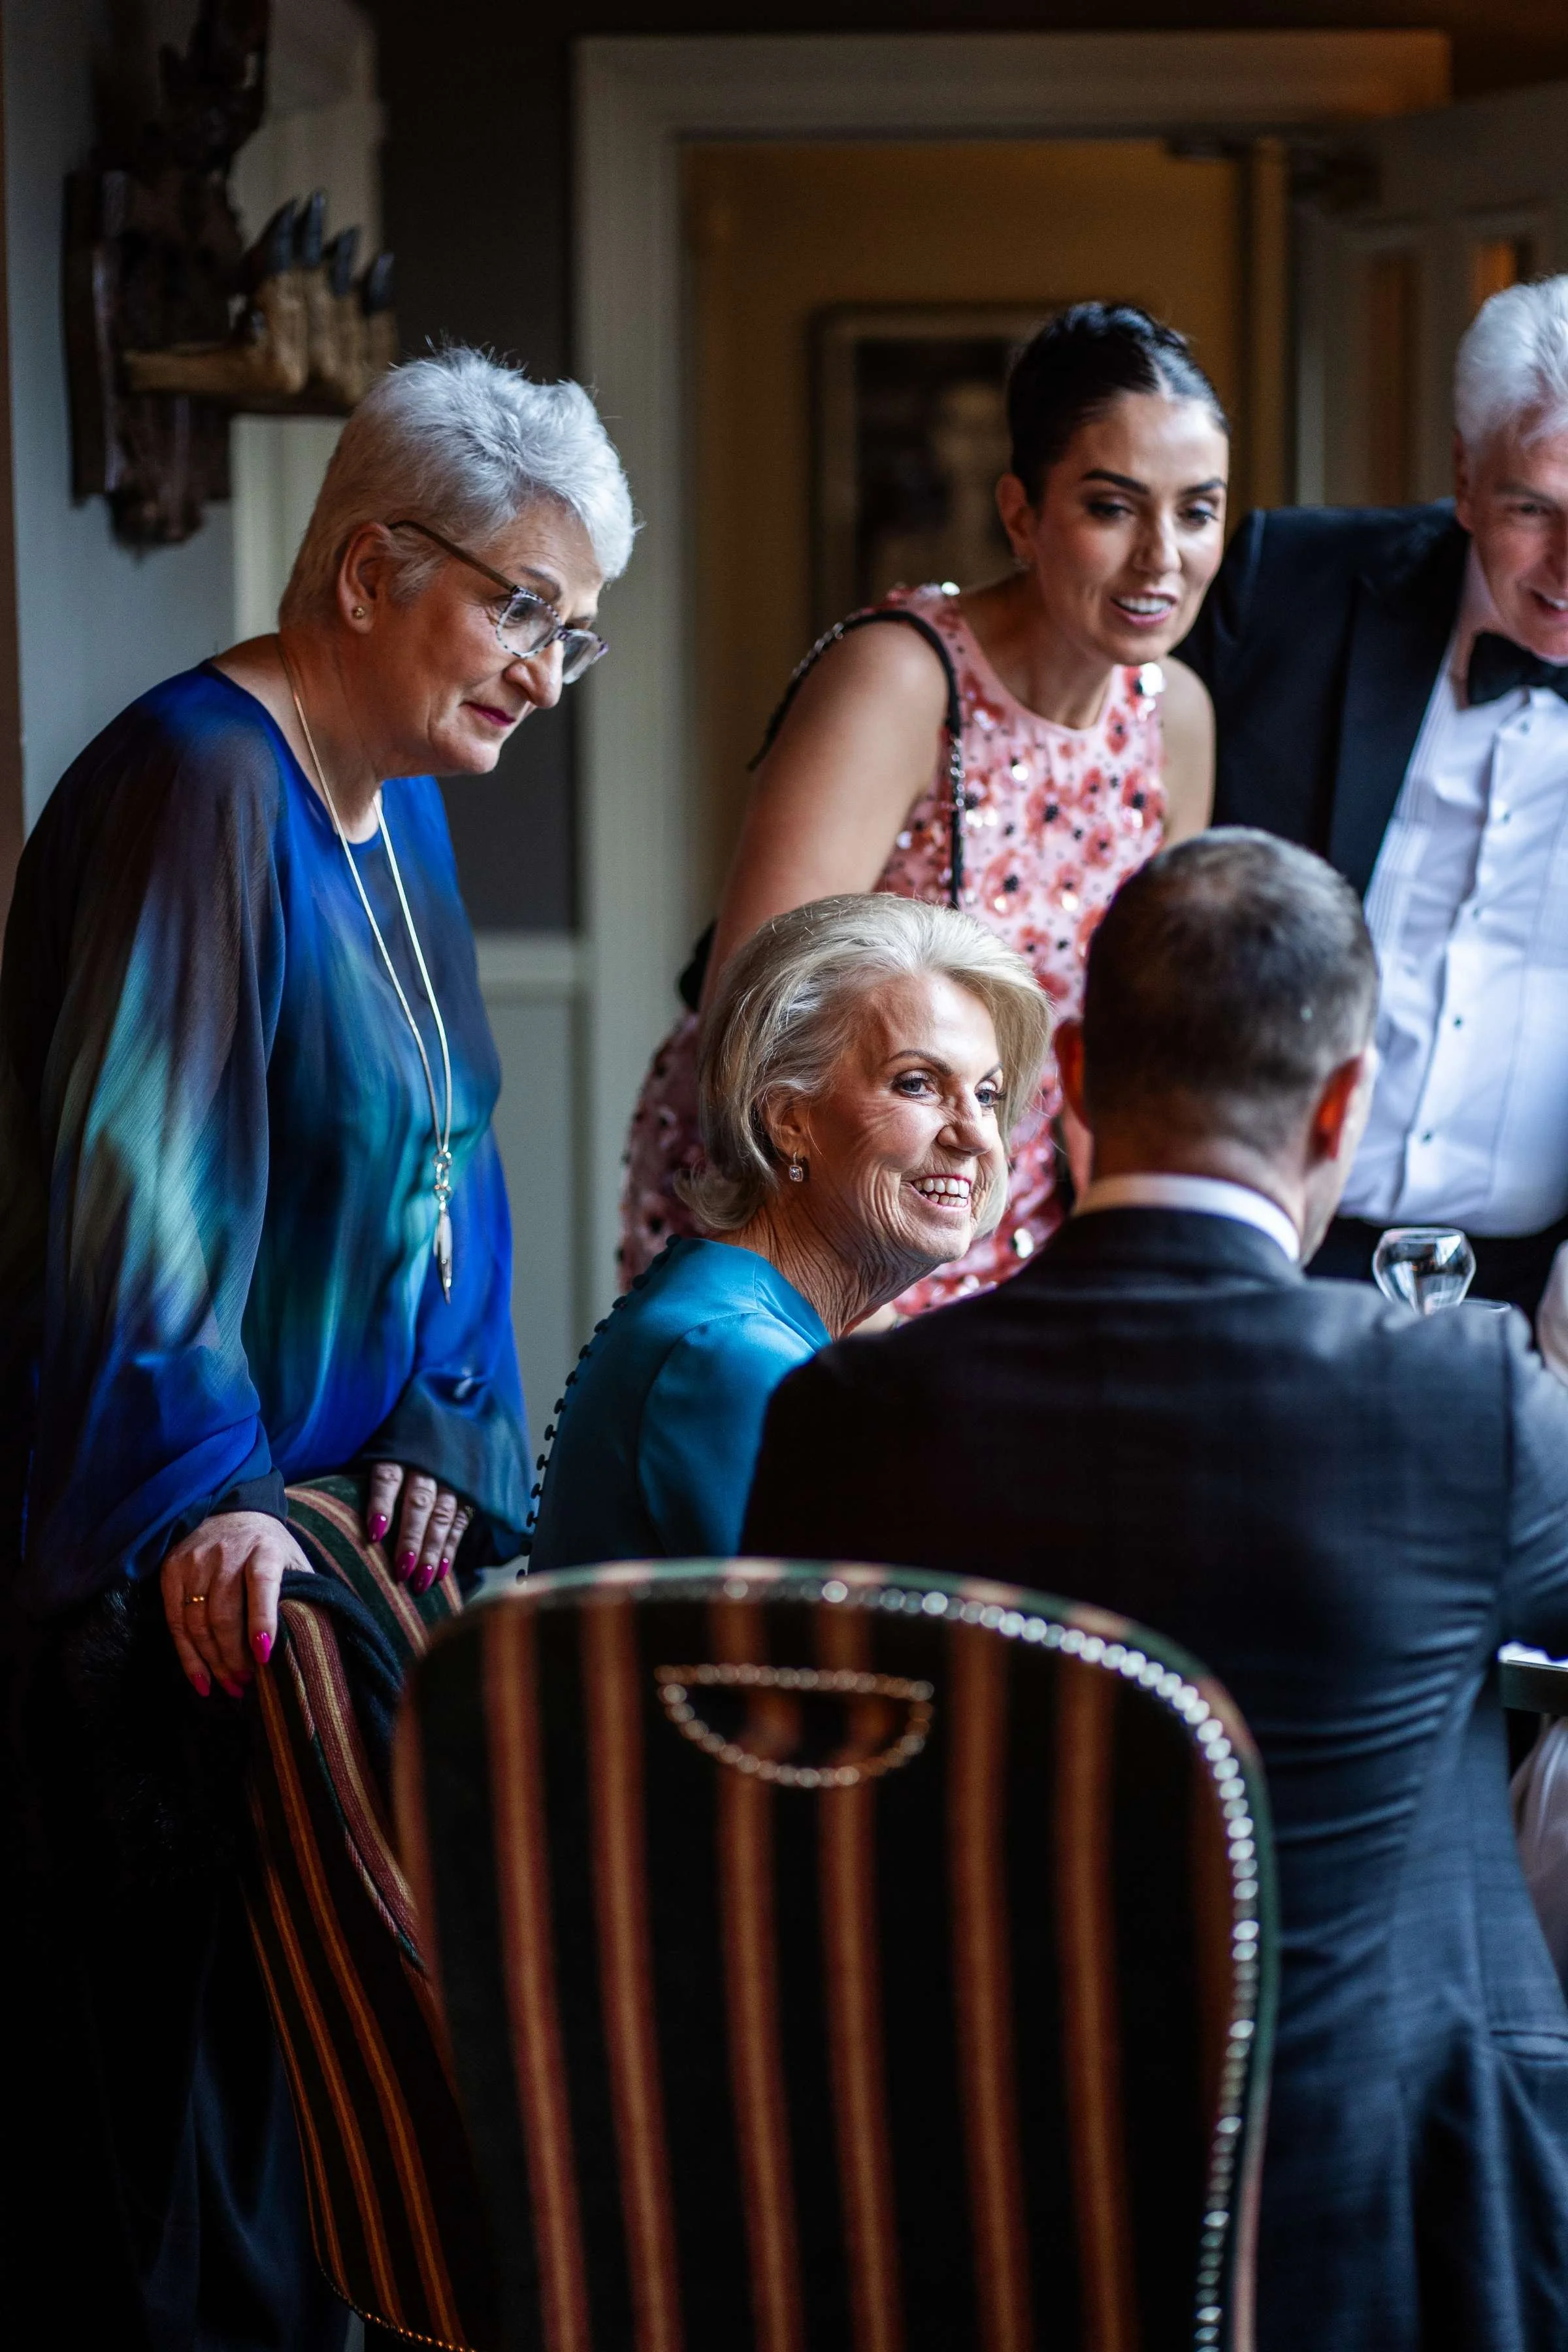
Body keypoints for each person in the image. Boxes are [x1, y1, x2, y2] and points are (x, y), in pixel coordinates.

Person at [0, 350, 634, 2347]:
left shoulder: (395, 805)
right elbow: (134, 1194)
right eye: (518, 607)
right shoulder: (201, 780)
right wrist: (215, 1508)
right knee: (187, 2199)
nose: (544, 668)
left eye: (577, 632)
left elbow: (450, 1154)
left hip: (334, 1546)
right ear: (368, 570)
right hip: (177, 1607)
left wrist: (446, 1425)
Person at [744, 830, 1568, 2352]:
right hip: (1364, 2232)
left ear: (1065, 1068)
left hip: (972, 2219)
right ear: (1338, 1104)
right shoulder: (1463, 1405)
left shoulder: (844, 1416)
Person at [623, 302, 1230, 1309]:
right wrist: (840, 1312)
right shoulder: (901, 681)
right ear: (1023, 515)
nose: (1161, 557)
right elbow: (756, 1023)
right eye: (1113, 508)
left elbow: (1143, 1036)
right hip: (805, 1210)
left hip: (1015, 1213)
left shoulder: (1181, 717)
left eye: (1198, 510)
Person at [1184, 274, 1568, 1326]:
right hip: (1260, 1256)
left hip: (1545, 1302)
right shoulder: (1285, 588)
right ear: (1465, 474)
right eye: (1537, 508)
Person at [530, 894, 1049, 1571]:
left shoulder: (737, 1320)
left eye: (987, 1094)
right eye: (918, 1084)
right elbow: (847, 1660)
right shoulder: (727, 1357)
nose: (978, 1135)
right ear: (787, 1119)